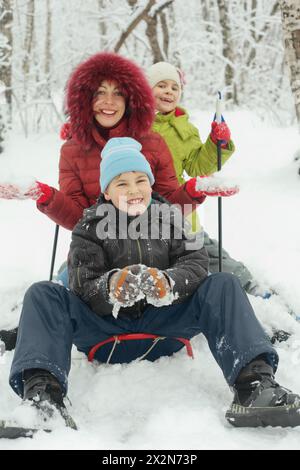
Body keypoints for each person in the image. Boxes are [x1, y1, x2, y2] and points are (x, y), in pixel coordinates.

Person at [5, 137, 300, 433]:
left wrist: (169, 282)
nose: (133, 190)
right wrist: (111, 287)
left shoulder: (172, 217)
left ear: (151, 184)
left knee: (222, 283)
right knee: (44, 292)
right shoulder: (89, 227)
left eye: (140, 180)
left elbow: (196, 263)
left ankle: (254, 387)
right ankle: (44, 401)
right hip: (105, 329)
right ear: (106, 191)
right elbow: (82, 282)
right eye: (121, 183)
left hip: (167, 324)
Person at [0, 52, 237, 350]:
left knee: (225, 273)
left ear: (131, 99)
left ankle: (261, 323)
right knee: (68, 282)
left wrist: (193, 190)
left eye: (117, 93)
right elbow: (79, 219)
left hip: (158, 244)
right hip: (103, 246)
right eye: (100, 92)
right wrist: (46, 196)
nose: (108, 101)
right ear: (85, 99)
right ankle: (31, 333)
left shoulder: (152, 142)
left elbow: (168, 209)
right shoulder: (72, 150)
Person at [146, 61, 265, 296]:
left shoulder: (184, 129)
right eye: (161, 85)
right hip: (141, 214)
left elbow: (198, 166)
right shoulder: (134, 125)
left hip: (179, 210)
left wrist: (216, 144)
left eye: (174, 87)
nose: (169, 91)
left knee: (206, 251)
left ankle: (252, 289)